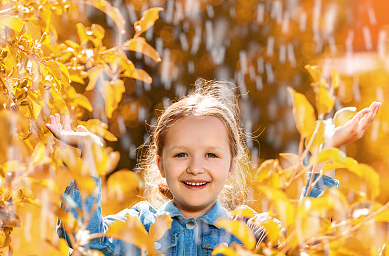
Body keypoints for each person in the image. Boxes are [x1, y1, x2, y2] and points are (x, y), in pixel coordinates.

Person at [46, 80, 381, 255]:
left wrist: (327, 152)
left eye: (211, 155)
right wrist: (88, 160)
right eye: (180, 155)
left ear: (233, 166)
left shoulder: (247, 231)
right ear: (160, 164)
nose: (195, 167)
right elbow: (85, 243)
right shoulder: (139, 226)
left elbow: (308, 240)